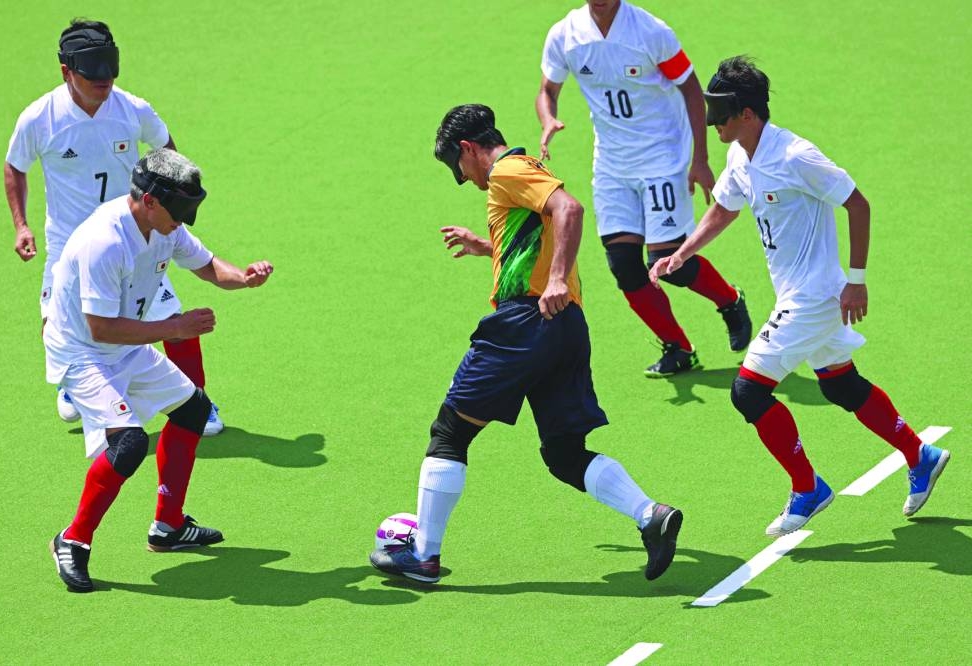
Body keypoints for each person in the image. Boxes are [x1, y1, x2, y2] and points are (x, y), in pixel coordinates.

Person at [368, 104, 683, 584]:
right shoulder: (523, 172)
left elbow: (570, 209)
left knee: (449, 433)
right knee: (562, 453)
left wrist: (556, 278)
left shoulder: (506, 171)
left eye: (457, 165)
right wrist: (488, 247)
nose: (462, 178)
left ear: (469, 149)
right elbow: (543, 234)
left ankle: (424, 556)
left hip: (524, 323)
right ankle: (650, 515)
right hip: (566, 328)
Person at [649, 56, 950, 536]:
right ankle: (921, 455)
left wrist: (857, 278)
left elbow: (857, 202)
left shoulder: (795, 156)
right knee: (840, 385)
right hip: (797, 294)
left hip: (814, 297)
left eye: (720, 113)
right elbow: (724, 209)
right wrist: (682, 253)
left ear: (747, 114)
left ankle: (808, 487)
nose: (713, 123)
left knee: (748, 391)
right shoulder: (739, 156)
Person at [47, 148, 274, 592]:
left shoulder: (164, 227)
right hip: (85, 352)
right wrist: (173, 327)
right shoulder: (105, 243)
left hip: (125, 342)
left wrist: (244, 278)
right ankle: (72, 540)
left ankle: (168, 527)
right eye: (180, 211)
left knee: (193, 410)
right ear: (149, 200)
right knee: (129, 445)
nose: (185, 222)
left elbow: (209, 267)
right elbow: (99, 327)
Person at [4, 18, 224, 434]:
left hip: (135, 235)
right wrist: (21, 225)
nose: (104, 83)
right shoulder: (40, 117)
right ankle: (76, 384)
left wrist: (169, 200)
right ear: (66, 72)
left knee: (169, 314)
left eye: (110, 73)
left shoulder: (133, 109)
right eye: (92, 75)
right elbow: (15, 167)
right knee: (57, 321)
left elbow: (168, 154)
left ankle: (196, 398)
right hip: (71, 242)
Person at [537, 0, 752, 378]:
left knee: (667, 264)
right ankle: (679, 348)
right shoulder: (565, 35)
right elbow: (547, 90)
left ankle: (730, 301)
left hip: (662, 157)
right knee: (623, 265)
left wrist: (699, 160)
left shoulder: (651, 32)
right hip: (612, 166)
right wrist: (548, 118)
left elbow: (690, 89)